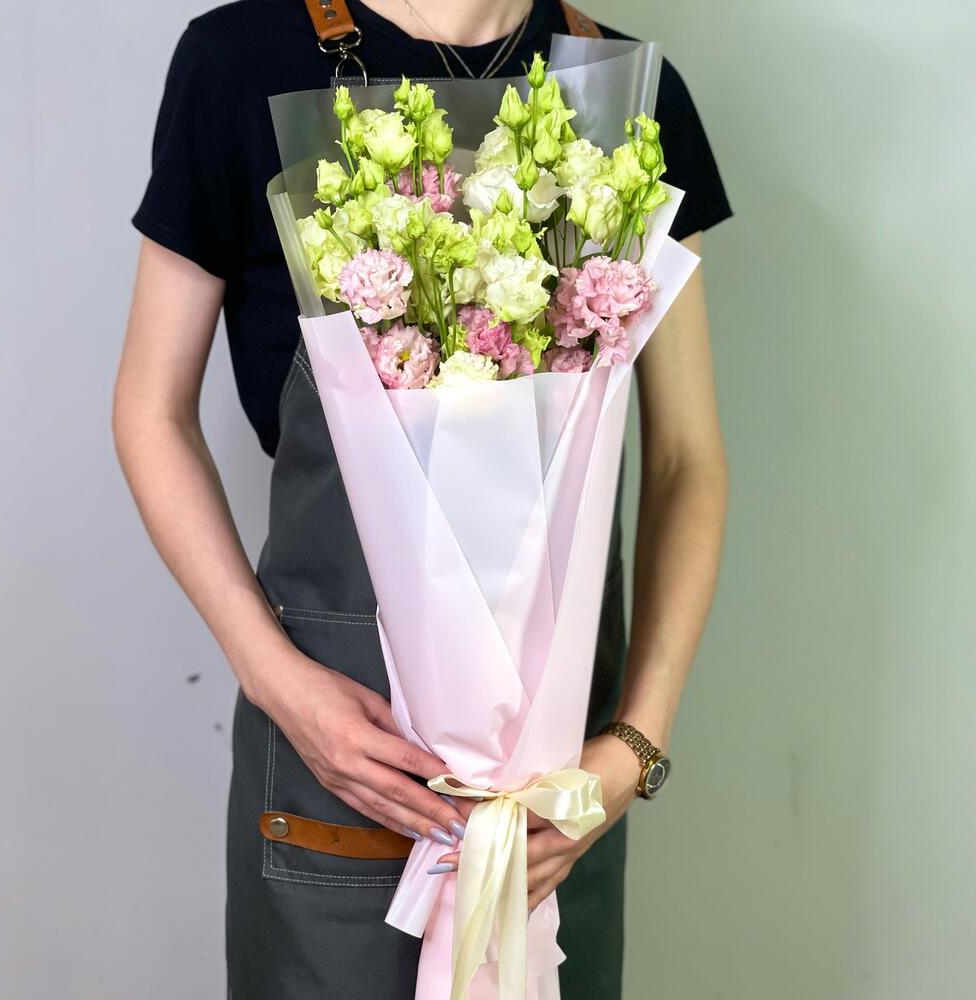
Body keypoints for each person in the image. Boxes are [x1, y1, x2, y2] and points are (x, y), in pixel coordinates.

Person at [113, 0, 731, 995]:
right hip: (338, 764)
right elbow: (150, 412)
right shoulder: (239, 61)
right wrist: (275, 679)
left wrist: (635, 742)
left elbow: (684, 461)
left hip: (558, 801)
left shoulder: (623, 91)